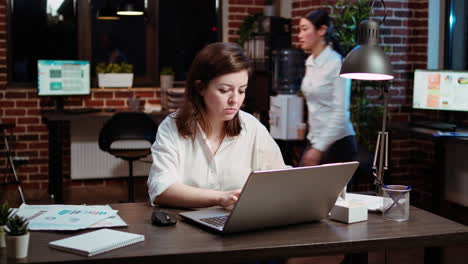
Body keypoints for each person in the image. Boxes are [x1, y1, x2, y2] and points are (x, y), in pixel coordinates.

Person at [147, 42, 288, 208]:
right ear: (200, 87)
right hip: (185, 227)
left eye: (241, 91)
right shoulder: (172, 127)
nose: (235, 100)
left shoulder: (252, 127)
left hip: (238, 225)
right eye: (224, 90)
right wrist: (221, 198)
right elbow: (161, 188)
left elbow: (280, 178)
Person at [298, 10, 357, 168]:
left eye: (304, 29)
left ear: (322, 30)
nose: (299, 35)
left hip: (338, 144)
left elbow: (340, 113)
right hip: (315, 139)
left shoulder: (337, 63)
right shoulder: (310, 61)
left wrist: (318, 148)